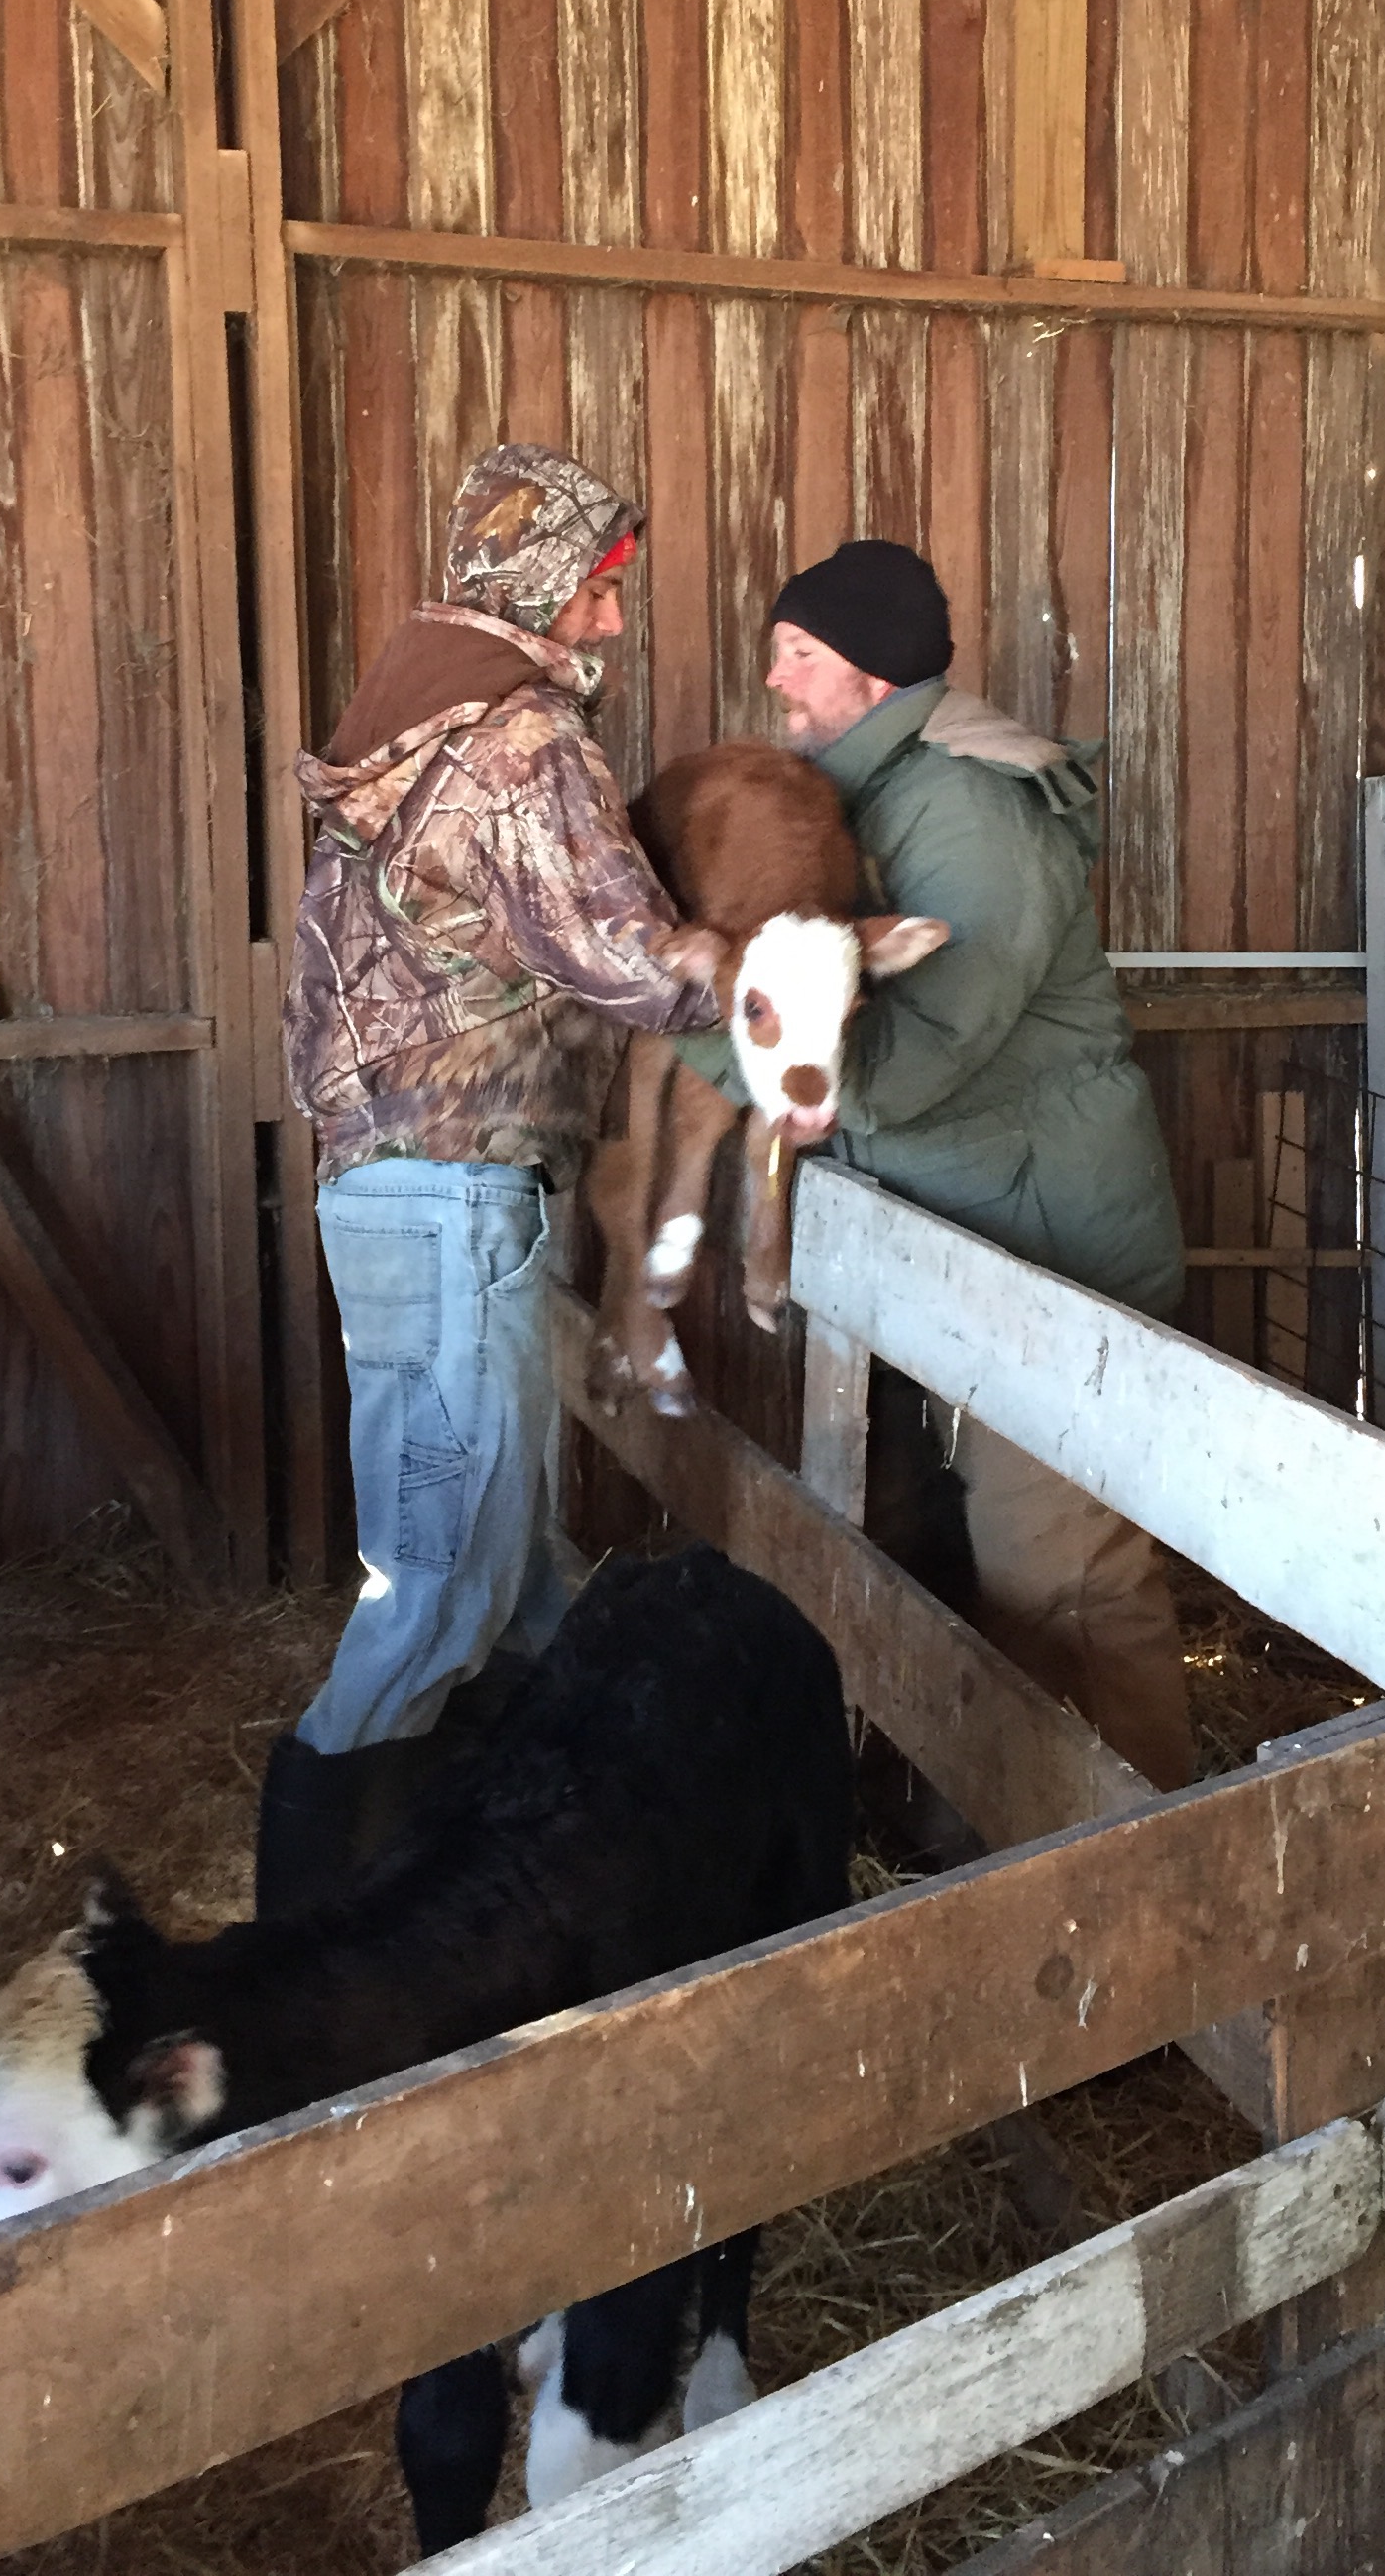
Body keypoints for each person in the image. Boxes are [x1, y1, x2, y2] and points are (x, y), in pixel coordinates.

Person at [266, 444, 716, 1904]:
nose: (611, 619)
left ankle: (490, 1884)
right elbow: (631, 958)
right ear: (536, 579)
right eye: (597, 587)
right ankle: (306, 1927)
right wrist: (779, 964)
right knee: (442, 1578)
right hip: (459, 1193)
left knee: (506, 1569)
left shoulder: (399, 726)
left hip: (382, 1190)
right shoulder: (519, 740)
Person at [747, 538, 1198, 1789]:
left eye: (799, 654)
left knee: (1062, 1576)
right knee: (956, 1561)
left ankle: (1141, 1854)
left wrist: (718, 1042)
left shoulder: (967, 808)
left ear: (874, 672)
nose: (776, 680)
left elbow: (919, 1058)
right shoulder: (862, 799)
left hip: (1046, 1247)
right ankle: (989, 1831)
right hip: (958, 1237)